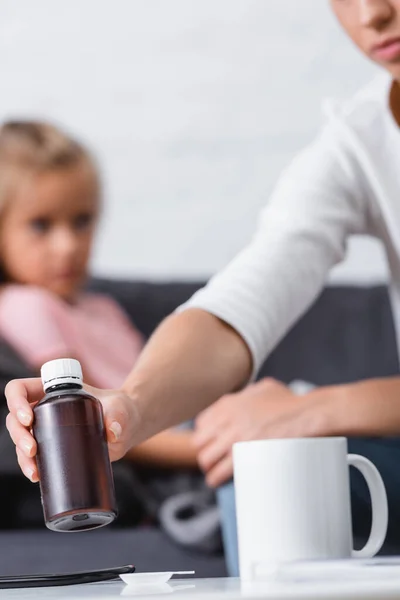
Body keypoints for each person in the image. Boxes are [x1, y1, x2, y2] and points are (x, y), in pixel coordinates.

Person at [6, 0, 400, 569]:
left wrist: (315, 408)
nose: (371, 13)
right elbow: (241, 302)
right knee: (261, 475)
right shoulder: (357, 144)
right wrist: (130, 409)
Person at [0, 120, 197, 484]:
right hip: (160, 439)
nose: (68, 245)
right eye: (41, 225)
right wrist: (208, 447)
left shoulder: (103, 307)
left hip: (178, 419)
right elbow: (97, 419)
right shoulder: (25, 305)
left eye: (82, 220)